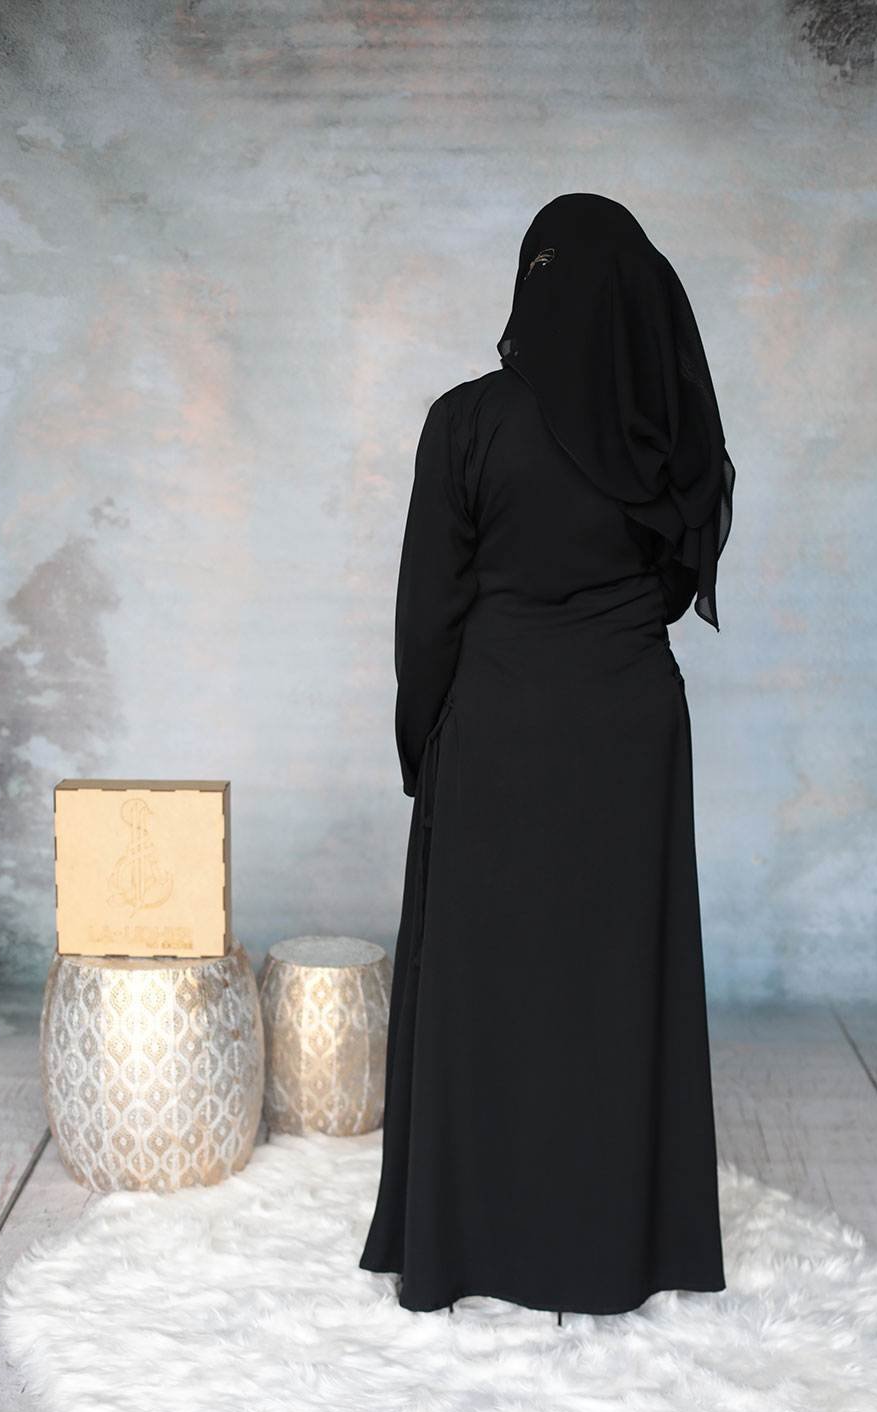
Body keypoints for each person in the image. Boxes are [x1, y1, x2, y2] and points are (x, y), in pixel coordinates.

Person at [359, 193, 735, 1320]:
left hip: (497, 730)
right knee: (616, 987)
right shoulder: (663, 432)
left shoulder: (465, 422)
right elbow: (674, 579)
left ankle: (470, 1242)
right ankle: (615, 1246)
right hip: (629, 734)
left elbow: (427, 614)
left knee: (486, 991)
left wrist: (425, 745)